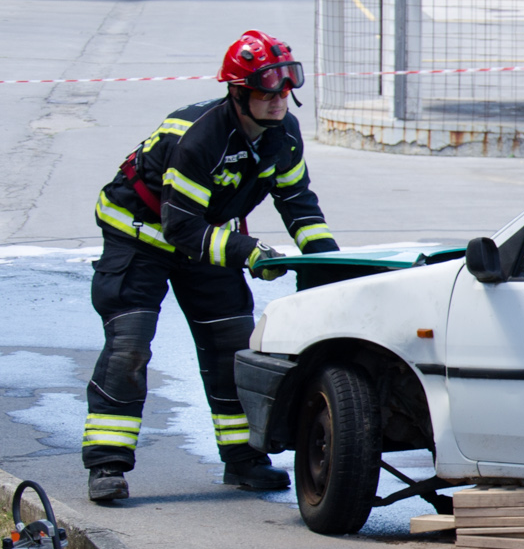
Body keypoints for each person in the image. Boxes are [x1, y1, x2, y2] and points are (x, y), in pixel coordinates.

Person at [83, 32, 339, 504]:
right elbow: (180, 227)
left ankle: (243, 459)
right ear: (238, 92)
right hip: (141, 238)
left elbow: (299, 203)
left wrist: (330, 267)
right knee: (129, 347)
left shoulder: (284, 134)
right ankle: (107, 464)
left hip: (206, 239)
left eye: (287, 86)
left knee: (231, 347)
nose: (280, 97)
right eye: (267, 88)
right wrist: (248, 252)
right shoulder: (200, 137)